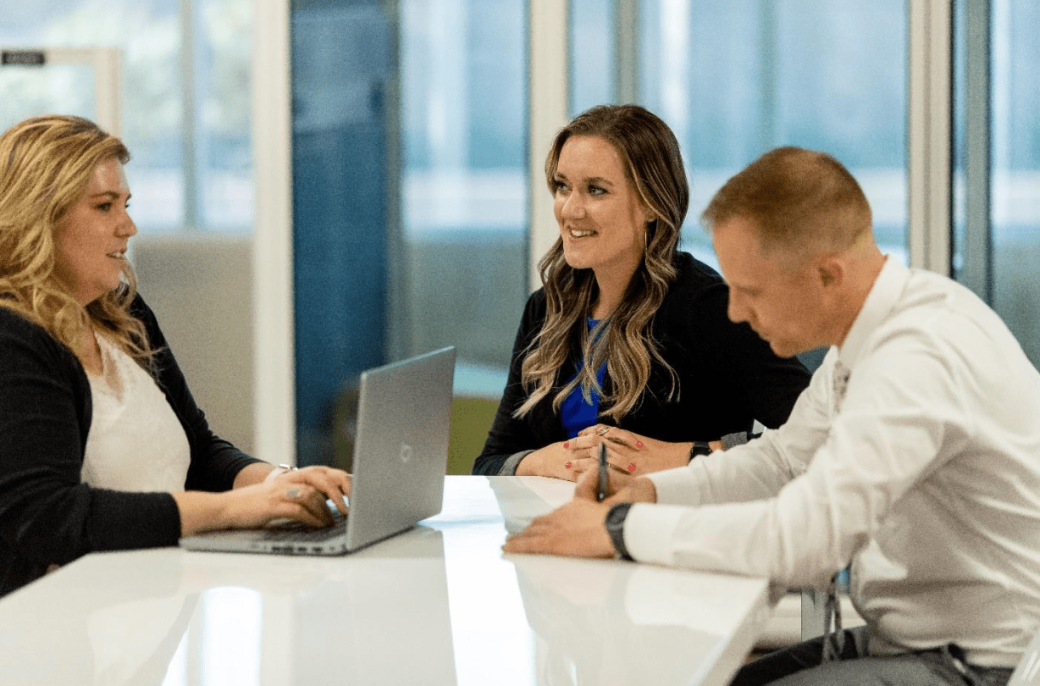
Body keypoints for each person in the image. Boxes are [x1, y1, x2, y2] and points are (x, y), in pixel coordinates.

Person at [504, 146, 1040, 685]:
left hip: (981, 663)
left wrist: (620, 529)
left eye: (749, 290)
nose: (735, 310)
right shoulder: (873, 336)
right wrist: (652, 493)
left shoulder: (917, 357)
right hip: (911, 639)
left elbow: (810, 540)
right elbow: (784, 460)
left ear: (826, 275)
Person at [0, 114, 351, 597]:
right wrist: (244, 508)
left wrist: (285, 484)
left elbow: (201, 453)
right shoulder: (13, 337)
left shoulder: (122, 312)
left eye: (125, 204)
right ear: (37, 216)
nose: (128, 226)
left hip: (147, 613)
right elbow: (47, 516)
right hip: (57, 633)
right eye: (104, 206)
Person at [472, 105, 810, 480]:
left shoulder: (708, 306)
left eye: (596, 190)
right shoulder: (548, 309)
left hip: (678, 533)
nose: (570, 209)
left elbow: (819, 438)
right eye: (562, 186)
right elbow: (489, 464)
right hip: (564, 531)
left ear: (651, 203)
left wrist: (688, 455)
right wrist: (545, 460)